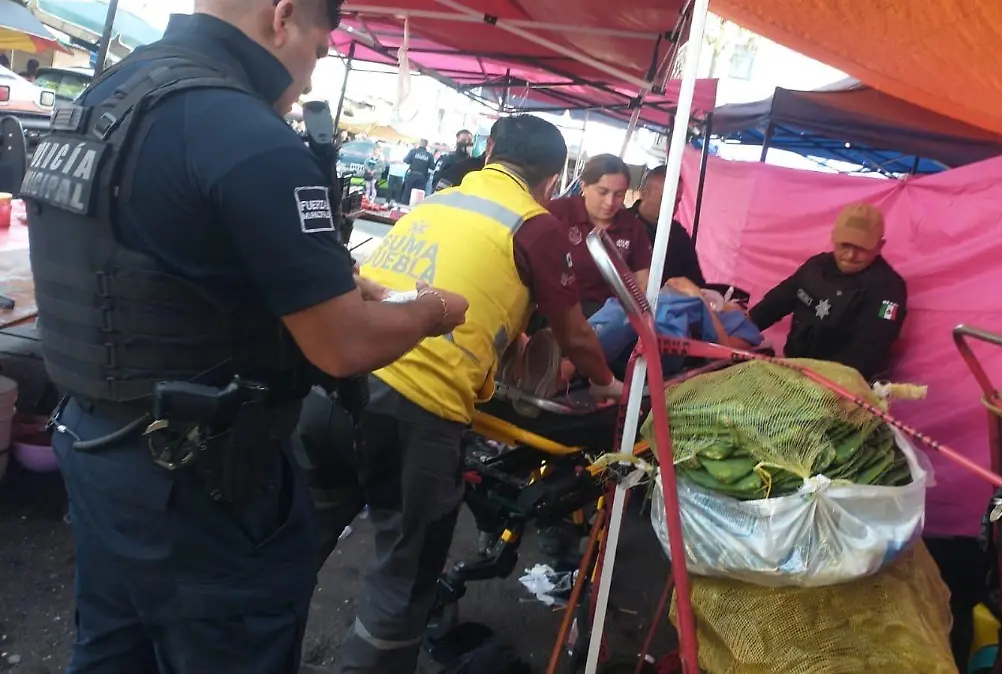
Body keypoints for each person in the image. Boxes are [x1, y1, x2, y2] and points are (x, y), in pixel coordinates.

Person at [21, 2, 468, 672]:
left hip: (95, 447)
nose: (313, 82)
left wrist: (333, 279)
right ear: (282, 17)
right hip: (205, 486)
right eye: (320, 52)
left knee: (114, 650)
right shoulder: (244, 129)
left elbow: (162, 253)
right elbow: (342, 345)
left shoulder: (114, 92)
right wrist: (435, 309)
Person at [314, 114, 622, 673]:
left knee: (296, 542)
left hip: (334, 381)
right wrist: (607, 383)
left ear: (489, 155)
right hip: (415, 405)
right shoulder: (535, 223)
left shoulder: (439, 201)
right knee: (403, 577)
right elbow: (575, 333)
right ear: (554, 181)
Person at [748, 202, 906, 379]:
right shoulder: (816, 267)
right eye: (845, 245)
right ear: (834, 238)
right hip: (794, 368)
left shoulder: (889, 289)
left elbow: (870, 350)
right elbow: (774, 304)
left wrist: (820, 380)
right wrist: (740, 330)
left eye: (861, 248)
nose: (850, 255)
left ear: (879, 246)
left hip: (843, 384)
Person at [547, 153, 652, 317]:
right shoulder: (557, 213)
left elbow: (642, 283)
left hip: (607, 315)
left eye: (619, 194)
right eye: (602, 192)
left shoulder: (633, 228)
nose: (610, 202)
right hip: (556, 308)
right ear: (583, 186)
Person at [631, 164, 705, 287]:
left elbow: (696, 282)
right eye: (665, 200)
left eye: (676, 202)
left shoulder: (679, 236)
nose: (672, 208)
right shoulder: (621, 226)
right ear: (644, 194)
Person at [400, 138, 434, 203]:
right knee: (418, 195)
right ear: (426, 145)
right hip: (422, 177)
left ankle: (404, 207)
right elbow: (432, 167)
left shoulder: (413, 151)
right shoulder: (429, 155)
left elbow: (406, 160)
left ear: (420, 143)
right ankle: (415, 210)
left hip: (412, 175)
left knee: (407, 193)